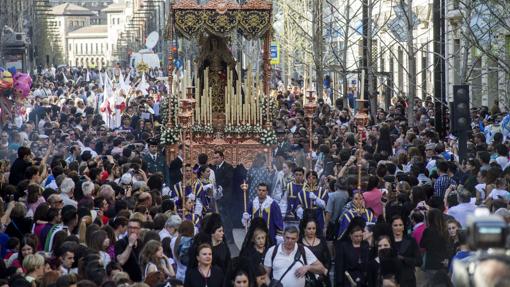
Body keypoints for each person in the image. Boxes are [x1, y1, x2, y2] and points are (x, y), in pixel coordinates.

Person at [420, 208, 453, 283]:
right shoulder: (445, 231)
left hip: (432, 263)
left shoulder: (428, 231)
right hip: (444, 262)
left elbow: (422, 244)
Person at [390, 215, 421, 287]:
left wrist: (404, 259)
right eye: (395, 225)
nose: (398, 227)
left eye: (400, 225)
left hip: (408, 280)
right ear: (391, 227)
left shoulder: (411, 241)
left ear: (403, 227)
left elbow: (419, 261)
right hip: (392, 280)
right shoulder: (388, 242)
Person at [299, 216, 331, 286]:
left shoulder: (322, 241)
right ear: (304, 229)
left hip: (321, 278)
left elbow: (328, 260)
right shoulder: (299, 243)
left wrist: (324, 272)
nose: (312, 231)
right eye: (309, 228)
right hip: (305, 278)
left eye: (314, 228)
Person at [211, 150, 235, 243]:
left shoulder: (228, 167)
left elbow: (228, 180)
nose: (215, 159)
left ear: (222, 158)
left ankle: (229, 237)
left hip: (226, 197)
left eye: (217, 158)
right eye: (214, 158)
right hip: (216, 196)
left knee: (226, 218)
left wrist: (218, 185)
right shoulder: (213, 168)